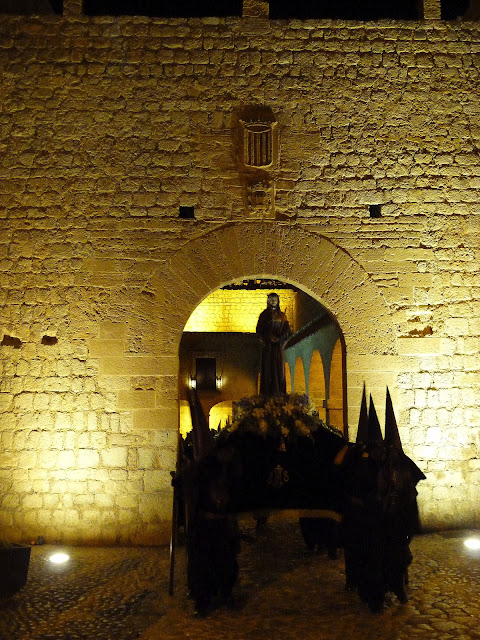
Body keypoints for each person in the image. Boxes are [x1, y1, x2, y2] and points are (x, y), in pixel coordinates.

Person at [256, 292, 291, 397]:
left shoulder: (282, 316)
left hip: (278, 347)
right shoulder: (263, 315)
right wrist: (269, 337)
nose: (273, 301)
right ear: (268, 301)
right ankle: (267, 394)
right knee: (267, 369)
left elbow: (287, 331)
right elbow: (259, 331)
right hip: (268, 347)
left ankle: (279, 393)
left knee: (278, 370)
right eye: (271, 299)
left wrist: (280, 338)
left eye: (275, 299)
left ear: (278, 301)